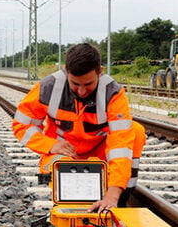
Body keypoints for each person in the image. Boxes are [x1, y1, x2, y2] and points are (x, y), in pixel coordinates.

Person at [12, 43, 145, 212]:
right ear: (66, 70)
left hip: (98, 155)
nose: (82, 91)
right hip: (62, 154)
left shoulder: (112, 94)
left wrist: (113, 193)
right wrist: (51, 145)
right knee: (69, 187)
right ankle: (68, 204)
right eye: (75, 84)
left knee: (136, 131)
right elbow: (22, 125)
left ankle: (121, 202)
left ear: (100, 71)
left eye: (88, 84)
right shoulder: (47, 88)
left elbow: (121, 144)